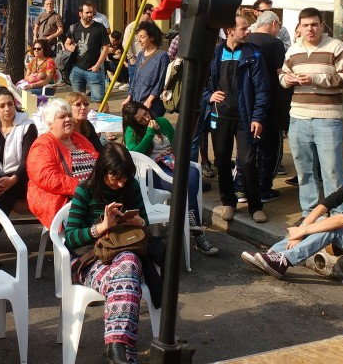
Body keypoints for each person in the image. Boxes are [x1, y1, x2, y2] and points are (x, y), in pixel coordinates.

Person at [242, 147, 343, 279]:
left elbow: (342, 220)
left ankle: (284, 261)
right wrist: (303, 226)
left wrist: (303, 230)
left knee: (334, 227)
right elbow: (326, 204)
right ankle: (275, 253)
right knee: (318, 219)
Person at [63, 143, 149, 364]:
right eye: (115, 177)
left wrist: (139, 222)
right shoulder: (85, 191)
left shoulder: (131, 187)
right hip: (90, 260)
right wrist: (100, 227)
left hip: (123, 252)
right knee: (127, 282)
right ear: (102, 171)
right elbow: (70, 238)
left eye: (125, 177)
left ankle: (115, 351)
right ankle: (124, 355)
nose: (121, 183)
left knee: (128, 262)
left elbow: (145, 224)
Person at [280, 7, 343, 222]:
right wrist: (289, 80)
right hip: (298, 117)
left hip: (328, 118)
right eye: (305, 25)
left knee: (332, 172)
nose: (310, 29)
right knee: (304, 172)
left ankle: (338, 214)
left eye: (314, 24)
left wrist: (316, 79)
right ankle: (309, 213)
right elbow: (282, 76)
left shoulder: (336, 46)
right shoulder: (293, 50)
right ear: (299, 27)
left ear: (322, 25)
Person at [122, 101, 217, 255]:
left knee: (192, 173)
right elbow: (134, 153)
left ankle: (193, 224)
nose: (146, 119)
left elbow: (177, 143)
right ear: (134, 122)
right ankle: (197, 231)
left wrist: (171, 151)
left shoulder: (162, 121)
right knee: (183, 184)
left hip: (170, 163)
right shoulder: (131, 131)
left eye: (146, 113)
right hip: (152, 171)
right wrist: (149, 133)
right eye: (141, 119)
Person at [202, 11, 271, 224]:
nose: (247, 31)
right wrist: (208, 96)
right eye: (243, 28)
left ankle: (255, 206)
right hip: (220, 117)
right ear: (230, 31)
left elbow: (263, 90)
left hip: (246, 118)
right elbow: (201, 84)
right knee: (221, 161)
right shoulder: (214, 54)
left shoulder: (254, 54)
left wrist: (257, 118)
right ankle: (228, 203)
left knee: (248, 162)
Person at [0, 88, 39, 271]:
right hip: (1, 177)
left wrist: (12, 180)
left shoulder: (27, 126)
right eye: (2, 105)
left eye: (10, 104)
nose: (7, 109)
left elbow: (27, 162)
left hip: (23, 178)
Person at [26, 98, 100, 231]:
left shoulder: (79, 138)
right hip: (63, 200)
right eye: (62, 117)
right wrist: (83, 187)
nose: (68, 119)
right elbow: (47, 177)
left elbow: (99, 162)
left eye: (69, 115)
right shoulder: (42, 145)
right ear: (50, 123)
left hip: (93, 194)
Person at [247, 10, 288, 201]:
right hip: (271, 103)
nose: (278, 28)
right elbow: (281, 72)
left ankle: (244, 188)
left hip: (248, 102)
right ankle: (264, 188)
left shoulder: (246, 39)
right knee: (270, 147)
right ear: (273, 23)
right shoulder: (275, 43)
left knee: (248, 148)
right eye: (278, 25)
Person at [65, 0, 110, 102]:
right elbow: (66, 43)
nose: (90, 14)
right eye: (87, 12)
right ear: (80, 14)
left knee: (100, 100)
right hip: (76, 69)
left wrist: (98, 65)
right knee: (77, 100)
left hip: (94, 70)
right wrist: (69, 47)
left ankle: (104, 116)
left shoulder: (100, 28)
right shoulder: (73, 28)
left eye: (91, 12)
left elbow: (106, 48)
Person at [123, 21, 169, 117]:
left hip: (153, 104)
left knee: (150, 129)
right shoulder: (140, 54)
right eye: (139, 37)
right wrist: (129, 97)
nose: (139, 40)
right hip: (137, 101)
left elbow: (161, 82)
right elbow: (135, 78)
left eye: (142, 37)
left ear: (151, 37)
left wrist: (150, 100)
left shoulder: (162, 56)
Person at [122, 4, 154, 83]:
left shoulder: (152, 26)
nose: (151, 16)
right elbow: (126, 43)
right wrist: (131, 57)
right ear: (142, 13)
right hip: (136, 59)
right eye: (149, 13)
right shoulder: (132, 26)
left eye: (153, 13)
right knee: (134, 83)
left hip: (149, 58)